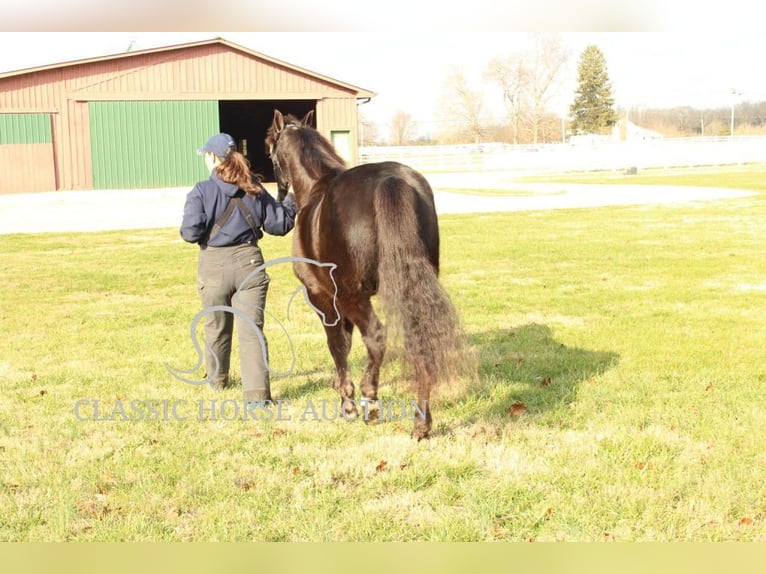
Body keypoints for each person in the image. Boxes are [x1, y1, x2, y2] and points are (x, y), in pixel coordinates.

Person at [180, 133, 296, 405]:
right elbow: (279, 225)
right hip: (249, 263)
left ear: (211, 158)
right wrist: (291, 199)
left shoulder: (201, 191)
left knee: (216, 325)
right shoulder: (254, 188)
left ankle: (217, 381)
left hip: (213, 265)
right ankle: (257, 398)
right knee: (251, 330)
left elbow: (189, 233)